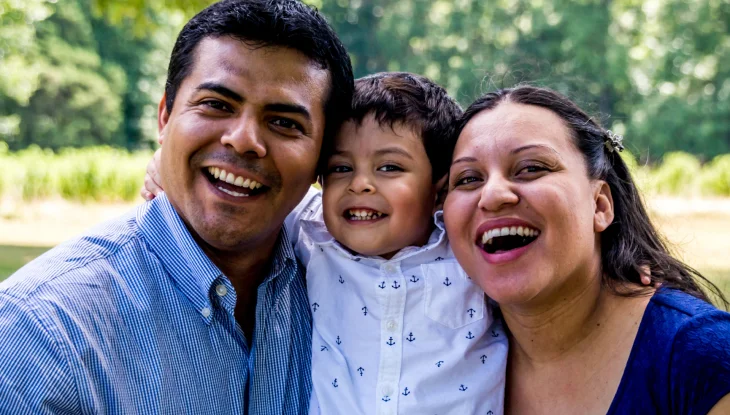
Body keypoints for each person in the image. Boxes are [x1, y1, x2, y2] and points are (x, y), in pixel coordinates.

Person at [0, 0, 354, 413]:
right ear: (165, 117)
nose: (243, 140)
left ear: (323, 160)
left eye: (284, 122)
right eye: (217, 104)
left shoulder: (351, 289)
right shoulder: (40, 331)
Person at [144, 72, 508, 415]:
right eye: (340, 168)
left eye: (389, 168)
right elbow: (254, 194)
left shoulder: (468, 249)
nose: (360, 184)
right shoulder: (311, 234)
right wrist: (165, 164)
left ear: (440, 191)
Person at [443, 85, 730, 414]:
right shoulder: (443, 351)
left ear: (600, 205)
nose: (492, 195)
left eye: (531, 168)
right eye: (467, 178)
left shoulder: (699, 356)